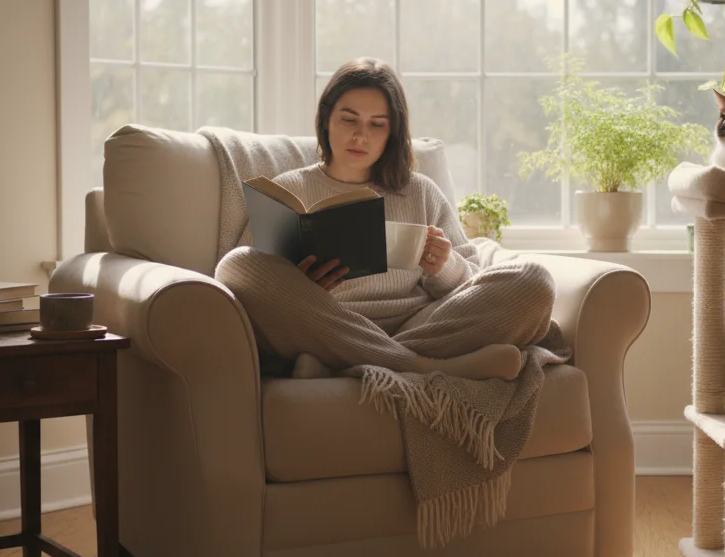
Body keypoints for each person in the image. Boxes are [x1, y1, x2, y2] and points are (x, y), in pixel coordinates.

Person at [215, 57, 556, 381]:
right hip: (324, 326)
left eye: (376, 125)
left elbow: (470, 283)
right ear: (326, 118)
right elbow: (249, 285)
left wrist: (444, 265)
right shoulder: (287, 189)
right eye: (349, 120)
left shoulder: (420, 191)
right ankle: (416, 365)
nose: (360, 136)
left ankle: (344, 366)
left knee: (534, 280)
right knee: (235, 265)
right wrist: (301, 288)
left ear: (392, 132)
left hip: (417, 325)